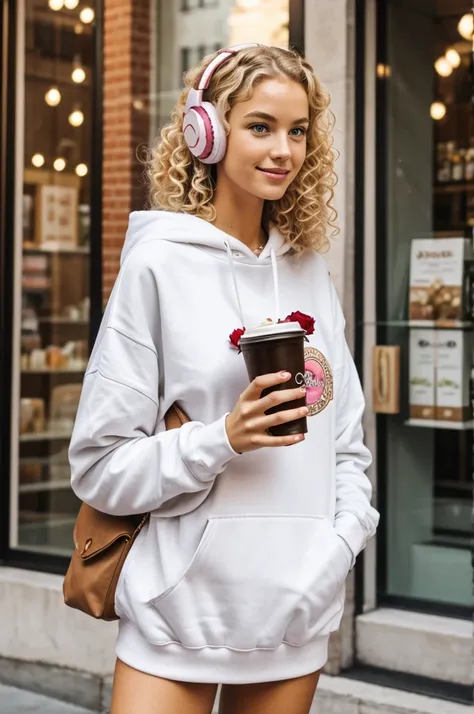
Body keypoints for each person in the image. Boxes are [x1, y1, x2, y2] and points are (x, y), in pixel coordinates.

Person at [68, 43, 379, 714]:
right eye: (261, 126)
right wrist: (224, 439)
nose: (284, 151)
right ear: (206, 131)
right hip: (176, 617)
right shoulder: (158, 270)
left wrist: (337, 549)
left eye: (297, 131)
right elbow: (99, 467)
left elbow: (347, 446)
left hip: (294, 612)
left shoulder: (308, 275)